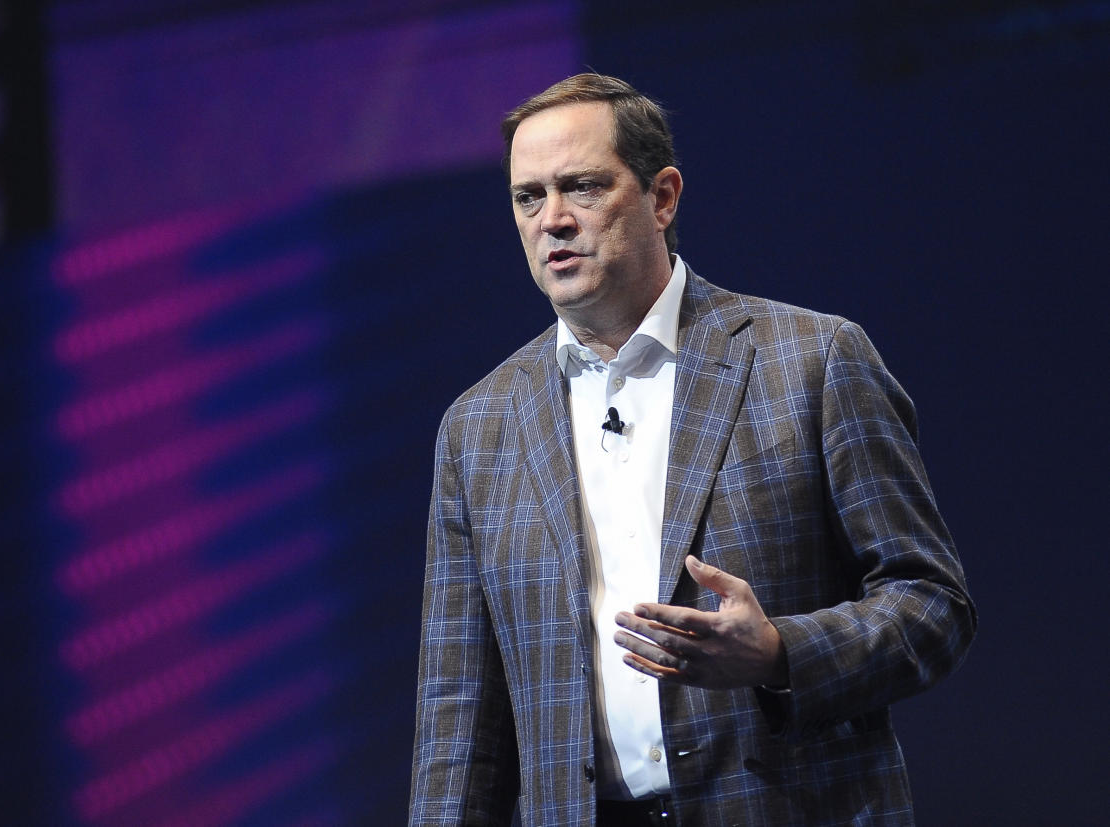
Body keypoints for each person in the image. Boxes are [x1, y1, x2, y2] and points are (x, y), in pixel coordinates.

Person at [409, 73, 975, 826]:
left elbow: (933, 604)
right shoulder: (478, 427)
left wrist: (780, 652)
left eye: (581, 186)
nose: (553, 220)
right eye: (528, 196)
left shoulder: (812, 360)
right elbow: (459, 715)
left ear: (663, 196)